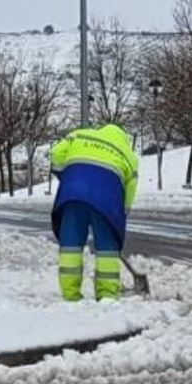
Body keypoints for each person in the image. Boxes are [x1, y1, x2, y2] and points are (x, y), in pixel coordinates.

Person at [50, 124, 139, 302]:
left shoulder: (79, 134)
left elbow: (56, 154)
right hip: (107, 202)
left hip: (72, 195)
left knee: (71, 247)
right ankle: (107, 295)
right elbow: (130, 192)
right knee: (107, 249)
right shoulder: (130, 156)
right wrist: (121, 214)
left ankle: (70, 294)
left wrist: (68, 175)